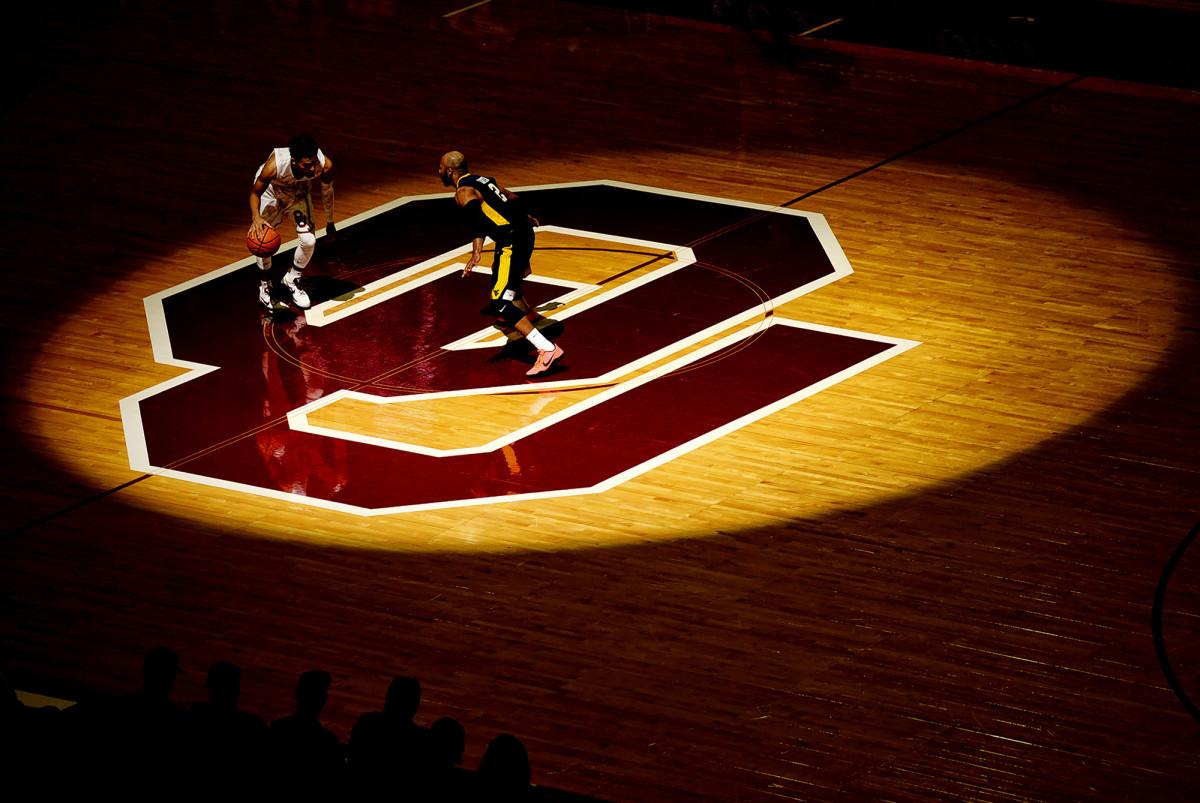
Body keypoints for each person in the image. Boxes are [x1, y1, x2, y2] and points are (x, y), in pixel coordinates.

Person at [438, 151, 564, 377]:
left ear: (449, 171)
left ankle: (547, 348)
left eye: (440, 168)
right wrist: (524, 216)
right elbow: (511, 197)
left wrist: (476, 253)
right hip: (523, 233)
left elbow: (477, 219)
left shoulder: (463, 191)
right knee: (502, 276)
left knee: (500, 304)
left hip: (511, 241)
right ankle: (530, 315)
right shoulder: (483, 180)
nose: (438, 172)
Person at [249, 133, 336, 310]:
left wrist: (330, 221)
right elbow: (254, 193)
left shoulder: (325, 165)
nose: (312, 169)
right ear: (294, 161)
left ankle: (292, 279)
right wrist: (256, 217)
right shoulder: (273, 167)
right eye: (307, 165)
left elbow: (328, 192)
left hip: (296, 193)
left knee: (309, 240)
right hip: (271, 193)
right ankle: (265, 289)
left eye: (313, 163)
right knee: (263, 240)